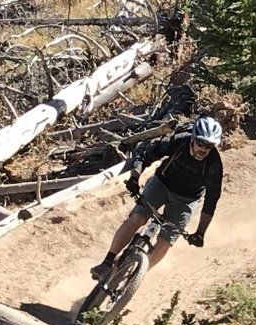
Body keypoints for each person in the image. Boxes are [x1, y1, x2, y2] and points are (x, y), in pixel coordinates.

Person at [87, 115, 224, 301]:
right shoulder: (178, 141)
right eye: (201, 143)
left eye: (209, 145)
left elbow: (211, 200)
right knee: (138, 218)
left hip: (186, 199)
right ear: (193, 138)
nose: (203, 149)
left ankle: (136, 276)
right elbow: (147, 154)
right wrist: (135, 178)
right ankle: (107, 262)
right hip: (162, 184)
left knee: (165, 242)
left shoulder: (214, 164)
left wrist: (200, 233)